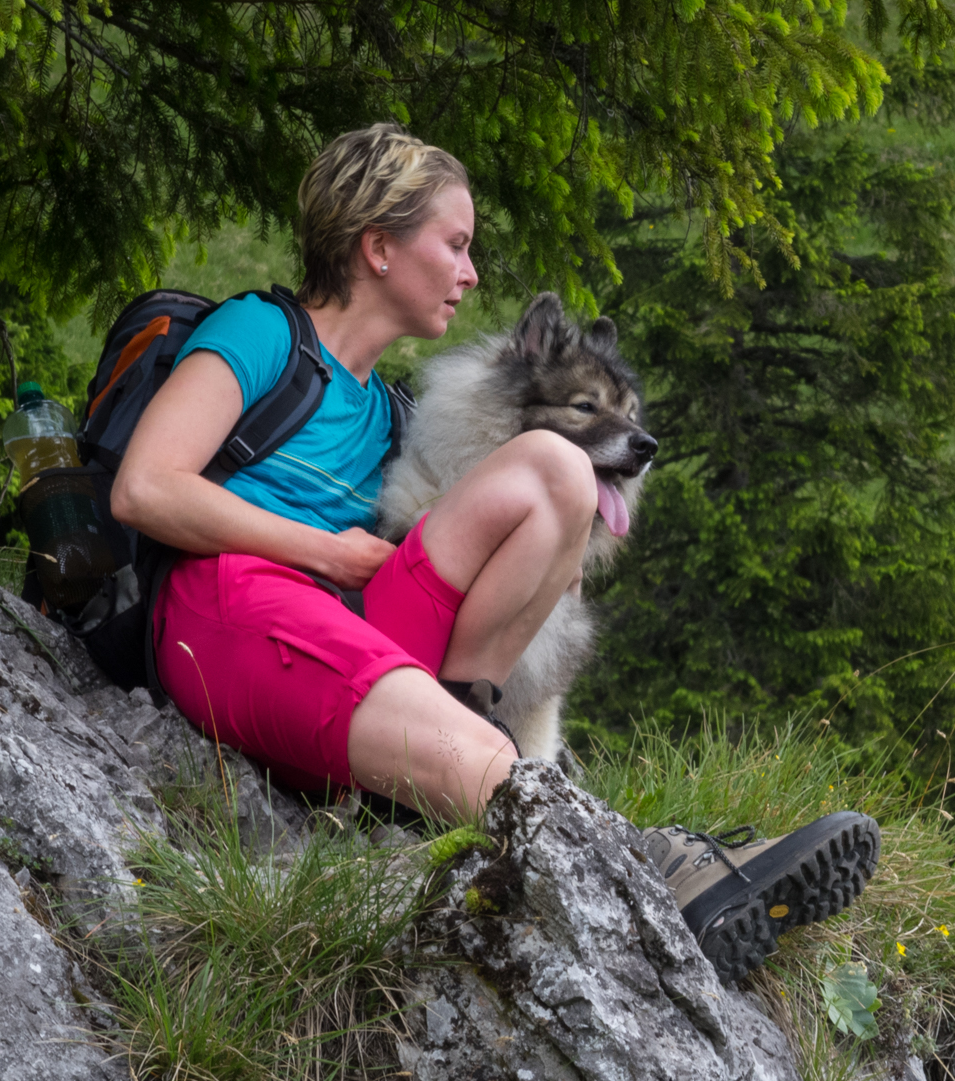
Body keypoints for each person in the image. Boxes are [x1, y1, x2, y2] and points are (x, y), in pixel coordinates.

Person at [111, 123, 877, 981]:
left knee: (556, 473)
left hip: (348, 620)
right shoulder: (261, 333)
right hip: (235, 611)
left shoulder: (386, 409)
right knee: (492, 749)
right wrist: (324, 552)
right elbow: (146, 488)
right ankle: (661, 869)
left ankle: (465, 743)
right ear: (378, 248)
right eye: (456, 244)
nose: (471, 273)